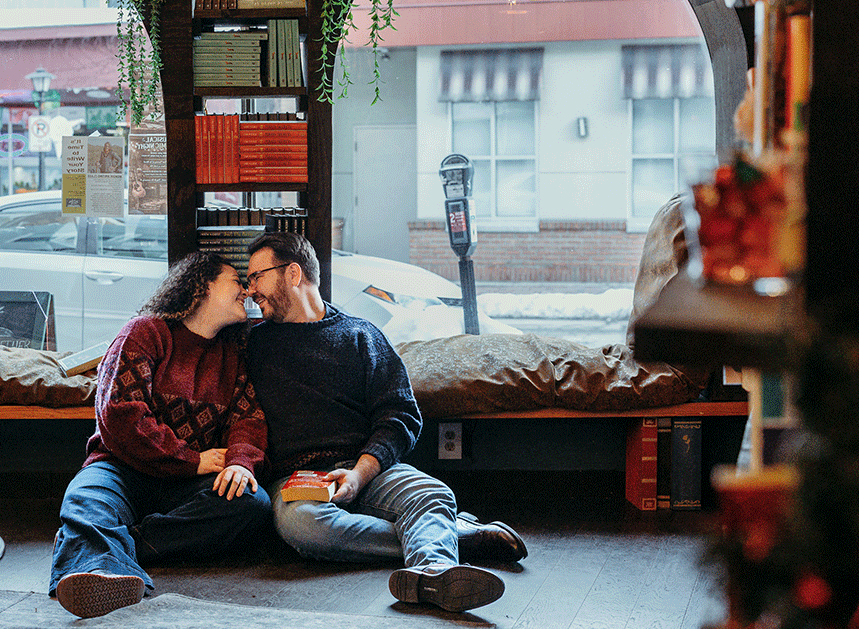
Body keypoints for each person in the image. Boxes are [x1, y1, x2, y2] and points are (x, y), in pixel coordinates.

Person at [244, 232, 528, 614]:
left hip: (369, 469)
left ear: (293, 273)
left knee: (433, 494)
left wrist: (360, 473)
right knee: (306, 529)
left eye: (257, 277)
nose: (250, 290)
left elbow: (401, 415)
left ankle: (435, 571)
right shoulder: (252, 344)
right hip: (298, 478)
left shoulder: (361, 336)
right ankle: (452, 539)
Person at [49, 252, 270, 618]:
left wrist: (241, 464)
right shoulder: (145, 332)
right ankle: (100, 566)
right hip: (120, 467)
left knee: (252, 503)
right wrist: (192, 458)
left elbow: (248, 417)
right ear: (201, 286)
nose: (246, 290)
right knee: (85, 500)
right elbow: (120, 414)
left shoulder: (232, 354)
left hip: (189, 483)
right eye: (236, 280)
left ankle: (102, 547)